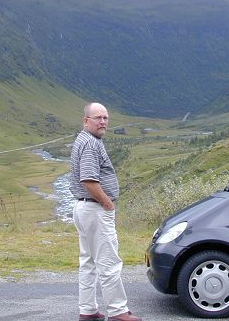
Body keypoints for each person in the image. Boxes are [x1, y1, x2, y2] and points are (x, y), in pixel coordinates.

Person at [70, 102, 142, 321]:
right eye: (98, 118)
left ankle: (88, 310)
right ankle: (118, 311)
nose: (103, 122)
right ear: (86, 121)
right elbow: (89, 180)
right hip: (95, 209)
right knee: (109, 262)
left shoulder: (83, 140)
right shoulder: (91, 144)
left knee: (88, 262)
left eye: (106, 118)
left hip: (83, 208)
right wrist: (107, 203)